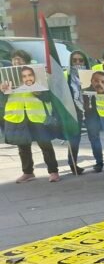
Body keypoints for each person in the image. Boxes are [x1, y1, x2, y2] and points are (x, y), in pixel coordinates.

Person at [1, 49, 61, 183]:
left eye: (20, 59)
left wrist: (38, 92)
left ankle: (53, 171)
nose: (16, 61)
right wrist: (2, 91)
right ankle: (28, 172)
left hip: (36, 116)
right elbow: (2, 101)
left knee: (45, 145)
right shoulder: (5, 76)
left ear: (27, 62)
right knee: (22, 147)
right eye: (14, 59)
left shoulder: (38, 75)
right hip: (17, 116)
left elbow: (47, 97)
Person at [66, 50, 103, 175]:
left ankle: (99, 163)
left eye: (80, 60)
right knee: (74, 138)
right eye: (74, 60)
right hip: (74, 110)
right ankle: (73, 165)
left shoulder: (92, 75)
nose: (77, 62)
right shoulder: (67, 76)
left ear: (85, 62)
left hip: (91, 110)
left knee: (94, 137)